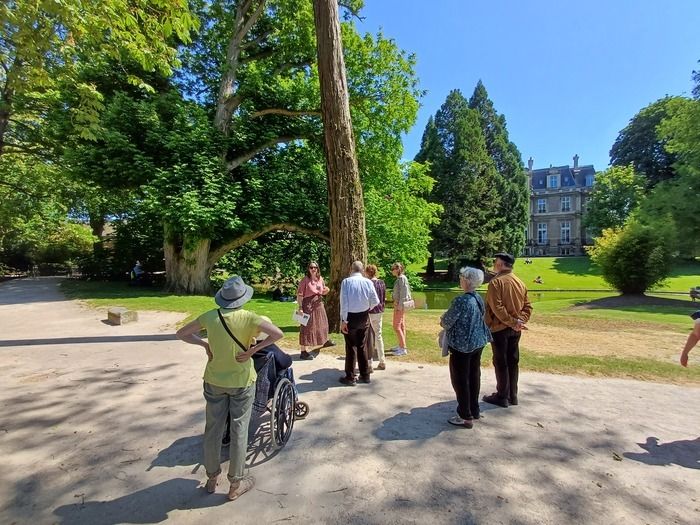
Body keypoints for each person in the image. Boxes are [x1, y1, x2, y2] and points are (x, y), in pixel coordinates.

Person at [176, 276, 283, 501]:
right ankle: (235, 482)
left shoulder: (210, 317)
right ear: (243, 298)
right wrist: (254, 351)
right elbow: (277, 334)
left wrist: (205, 344)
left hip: (214, 379)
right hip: (241, 382)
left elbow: (182, 333)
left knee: (213, 430)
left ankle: (212, 479)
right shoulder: (249, 318)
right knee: (239, 430)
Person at [441, 267, 492, 428]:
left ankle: (465, 415)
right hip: (477, 342)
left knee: (460, 379)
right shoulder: (477, 297)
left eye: (462, 277)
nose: (460, 280)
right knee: (473, 375)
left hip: (463, 345)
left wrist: (442, 319)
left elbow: (447, 321)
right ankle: (473, 409)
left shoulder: (461, 300)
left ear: (467, 281)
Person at [482, 253, 532, 408]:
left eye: (496, 261)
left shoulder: (496, 283)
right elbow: (528, 307)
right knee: (513, 361)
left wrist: (512, 322)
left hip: (499, 328)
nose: (494, 264)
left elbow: (497, 308)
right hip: (515, 328)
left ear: (501, 264)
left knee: (501, 361)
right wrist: (519, 321)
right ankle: (512, 395)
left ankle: (502, 396)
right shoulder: (520, 282)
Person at [339, 261, 379, 385]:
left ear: (351, 269)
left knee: (351, 347)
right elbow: (375, 301)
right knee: (362, 345)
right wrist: (367, 307)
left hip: (350, 316)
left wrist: (344, 320)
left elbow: (344, 303)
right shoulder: (368, 282)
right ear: (362, 270)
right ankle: (365, 375)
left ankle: (350, 377)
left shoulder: (346, 282)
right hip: (364, 316)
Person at [295, 261, 330, 360]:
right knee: (306, 327)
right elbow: (300, 295)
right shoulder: (305, 280)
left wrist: (326, 290)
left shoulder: (320, 279)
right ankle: (303, 351)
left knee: (322, 323)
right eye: (311, 267)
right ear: (308, 269)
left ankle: (324, 340)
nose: (313, 269)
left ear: (318, 268)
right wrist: (300, 307)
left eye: (315, 267)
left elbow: (322, 291)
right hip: (308, 305)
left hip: (318, 304)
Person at [365, 264, 387, 371]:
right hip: (379, 311)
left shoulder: (367, 283)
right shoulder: (381, 283)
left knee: (369, 337)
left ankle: (369, 363)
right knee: (378, 335)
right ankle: (382, 361)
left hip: (369, 311)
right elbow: (383, 298)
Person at [390, 262, 412, 356]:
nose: (392, 271)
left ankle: (403, 349)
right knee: (401, 326)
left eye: (393, 269)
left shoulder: (402, 278)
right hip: (399, 305)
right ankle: (401, 345)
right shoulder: (400, 279)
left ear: (397, 269)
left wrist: (399, 306)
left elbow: (403, 293)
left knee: (396, 326)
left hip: (400, 306)